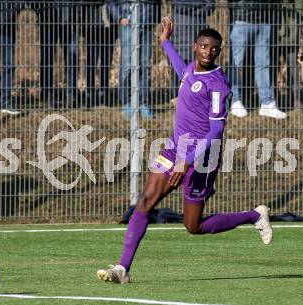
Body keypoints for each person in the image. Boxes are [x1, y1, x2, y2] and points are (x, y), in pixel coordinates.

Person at [97, 16, 273, 284]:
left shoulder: (218, 84)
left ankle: (254, 216)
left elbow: (215, 131)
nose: (208, 52)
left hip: (202, 158)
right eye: (203, 46)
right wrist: (165, 42)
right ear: (195, 46)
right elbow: (181, 69)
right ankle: (122, 269)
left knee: (193, 226)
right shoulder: (191, 70)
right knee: (144, 202)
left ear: (218, 51)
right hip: (173, 150)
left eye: (213, 48)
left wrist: (187, 162)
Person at [228, 0, 287, 119]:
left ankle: (267, 103)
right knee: (236, 63)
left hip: (264, 20)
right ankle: (234, 100)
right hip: (241, 19)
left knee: (263, 64)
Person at [117, 0, 161, 119]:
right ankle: (126, 102)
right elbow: (111, 2)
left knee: (145, 65)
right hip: (128, 25)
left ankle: (143, 103)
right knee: (126, 65)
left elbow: (158, 3)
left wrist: (154, 19)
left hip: (147, 26)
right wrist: (119, 16)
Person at [32, 0, 79, 109]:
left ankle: (71, 96)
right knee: (47, 58)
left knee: (72, 58)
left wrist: (78, 12)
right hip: (48, 20)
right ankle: (47, 95)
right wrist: (40, 9)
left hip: (70, 22)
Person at [171, 0, 214, 97]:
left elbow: (210, 6)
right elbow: (178, 5)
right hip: (181, 28)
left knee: (199, 63)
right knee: (179, 63)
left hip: (199, 28)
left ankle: (198, 93)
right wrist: (199, 4)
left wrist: (193, 11)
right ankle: (177, 96)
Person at [82, 0, 119, 107]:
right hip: (92, 28)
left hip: (109, 30)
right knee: (91, 63)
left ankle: (104, 93)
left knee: (106, 64)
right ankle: (89, 94)